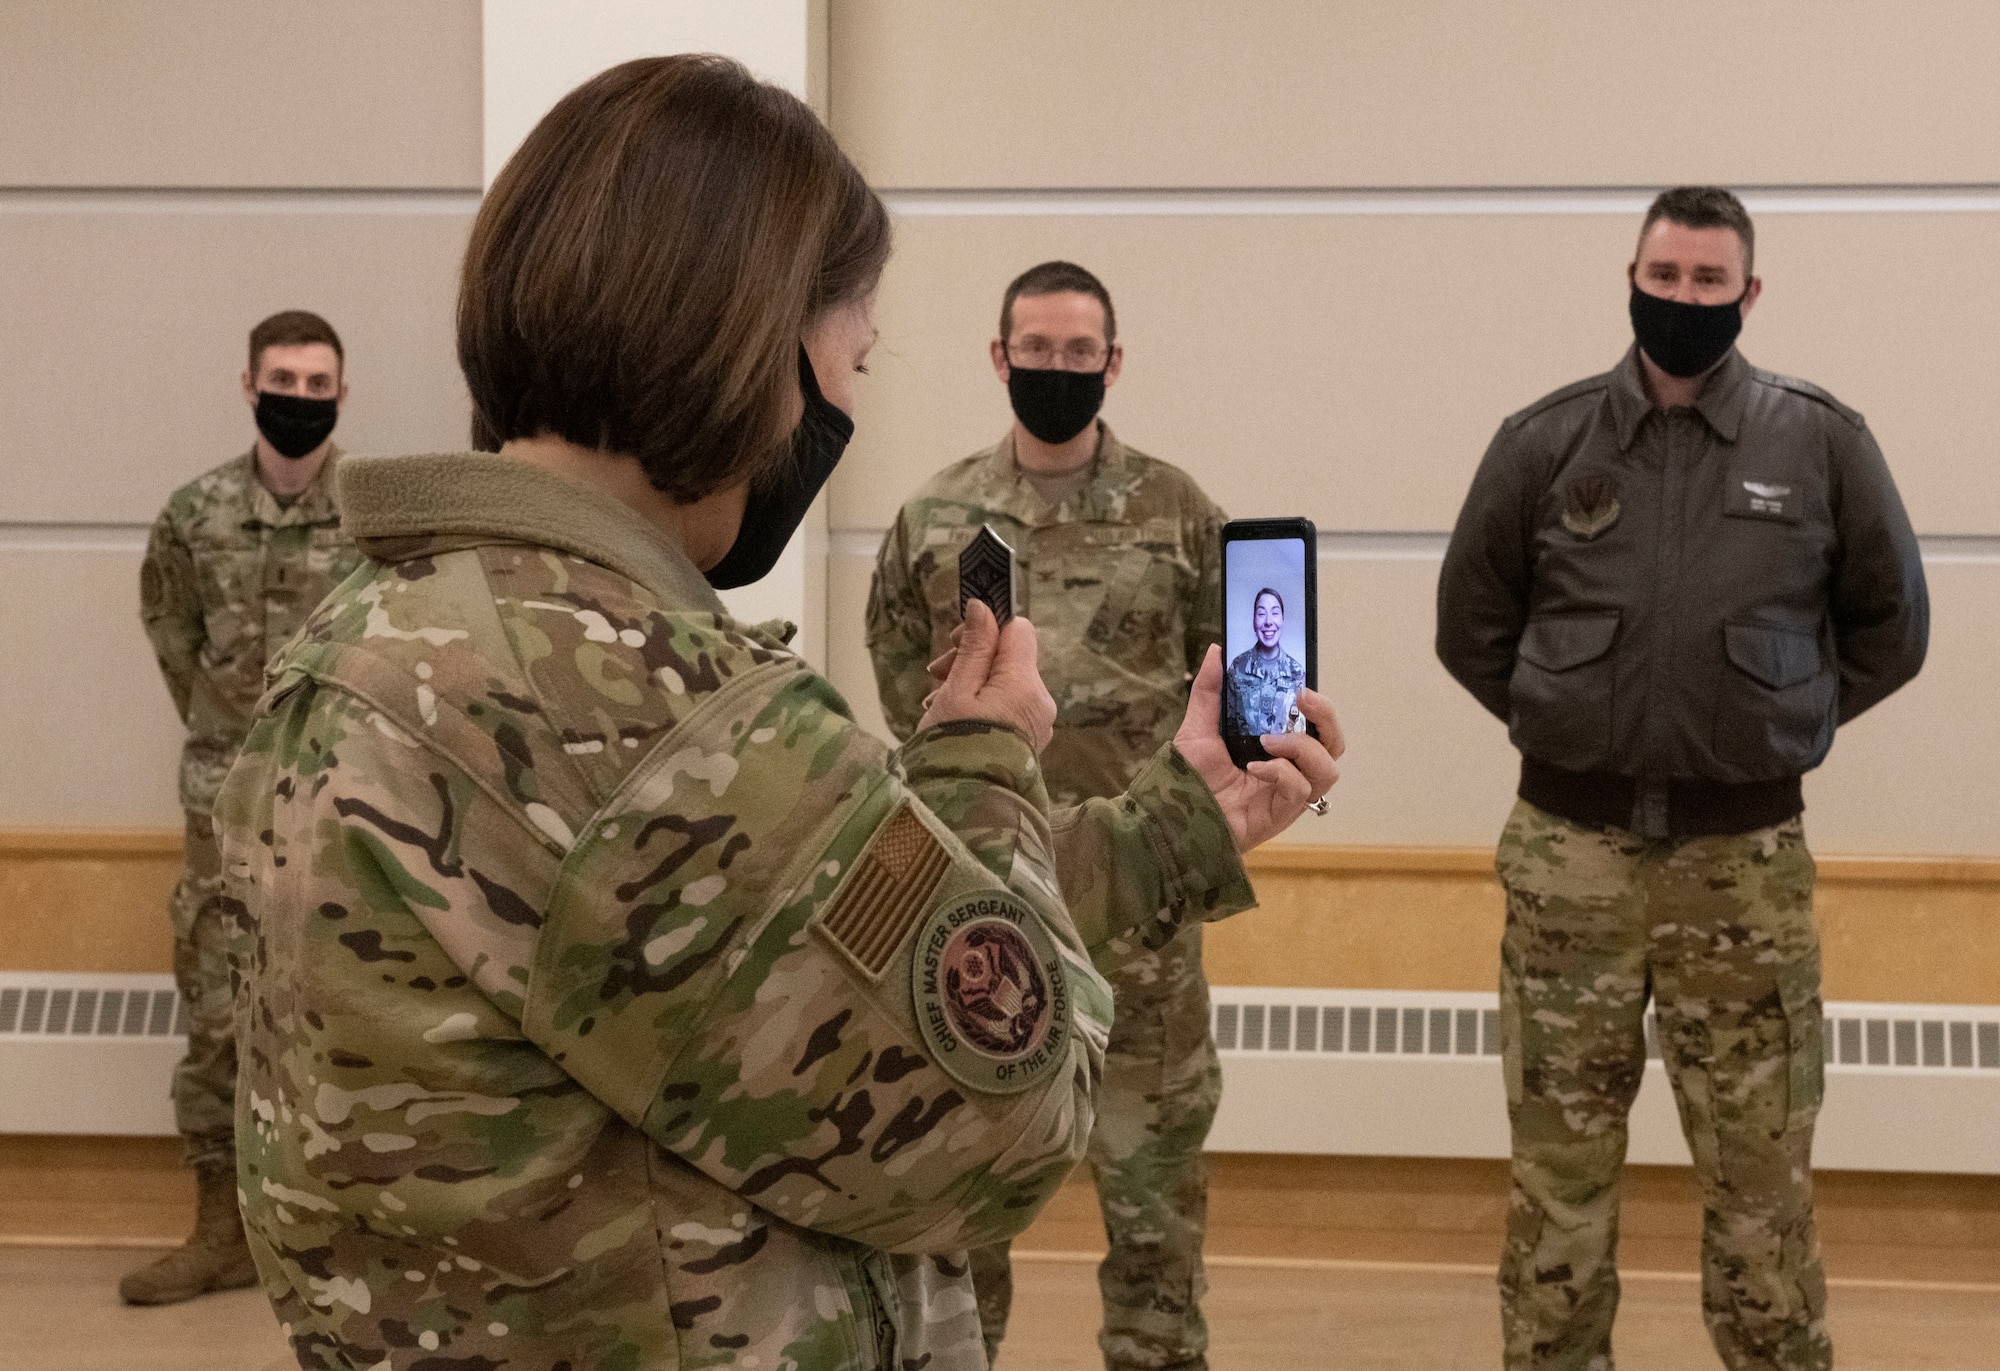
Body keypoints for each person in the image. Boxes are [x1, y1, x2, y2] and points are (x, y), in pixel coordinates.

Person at [214, 57, 1342, 1371]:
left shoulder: (379, 632)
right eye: (853, 357)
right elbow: (1004, 1111)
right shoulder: (639, 706)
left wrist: (1160, 829)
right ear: (752, 353)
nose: (851, 403)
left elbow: (790, 953)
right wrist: (982, 761)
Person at [1436, 186, 1928, 1371]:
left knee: (1759, 1192)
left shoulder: (1819, 444)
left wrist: (1773, 726)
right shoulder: (1543, 441)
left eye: (1709, 282)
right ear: (1630, 276)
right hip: (1570, 867)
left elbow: (1888, 630)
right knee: (1557, 1187)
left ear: (1748, 294)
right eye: (1664, 276)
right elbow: (1470, 628)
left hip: (1740, 876)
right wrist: (1572, 725)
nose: (1683, 299)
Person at [869, 260, 1234, 1370]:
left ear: (1111, 365)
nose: (1057, 371)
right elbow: (902, 677)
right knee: (966, 1213)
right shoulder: (937, 516)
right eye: (1037, 351)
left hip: (1139, 927)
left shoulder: (1178, 515)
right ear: (999, 358)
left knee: (1153, 1215)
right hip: (983, 915)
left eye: (1080, 355)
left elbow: (1230, 680)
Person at [127, 309, 361, 1306]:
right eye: (283, 380)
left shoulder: (374, 514)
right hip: (225, 807)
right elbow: (173, 638)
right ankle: (220, 1233)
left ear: (341, 395)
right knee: (220, 1018)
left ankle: (339, 1251)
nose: (297, 400)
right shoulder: (196, 513)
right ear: (247, 384)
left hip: (346, 808)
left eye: (317, 385)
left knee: (349, 1017)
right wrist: (232, 743)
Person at [1224, 588, 1306, 740]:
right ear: (1253, 620)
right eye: (1261, 614)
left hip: (1286, 762)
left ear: (1283, 619)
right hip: (1243, 761)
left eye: (1275, 613)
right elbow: (1228, 726)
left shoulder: (1297, 673)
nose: (1268, 621)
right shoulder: (1237, 668)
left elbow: (1300, 732)